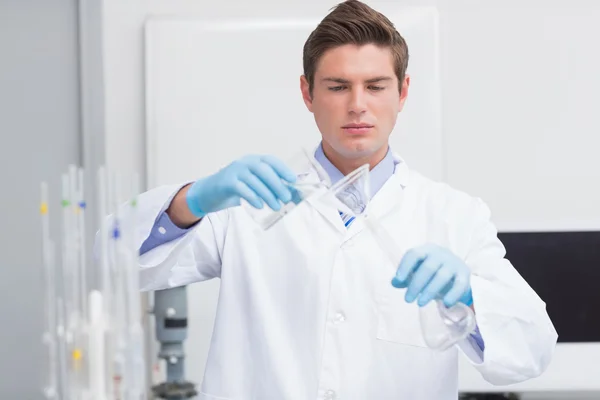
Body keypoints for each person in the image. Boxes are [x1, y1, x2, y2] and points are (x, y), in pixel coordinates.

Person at [131, 1, 557, 398]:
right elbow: (113, 261)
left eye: (375, 86)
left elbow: (532, 351)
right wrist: (193, 200)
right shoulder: (246, 203)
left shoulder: (455, 216)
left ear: (402, 92)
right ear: (307, 93)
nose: (357, 106)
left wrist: (470, 295)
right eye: (338, 86)